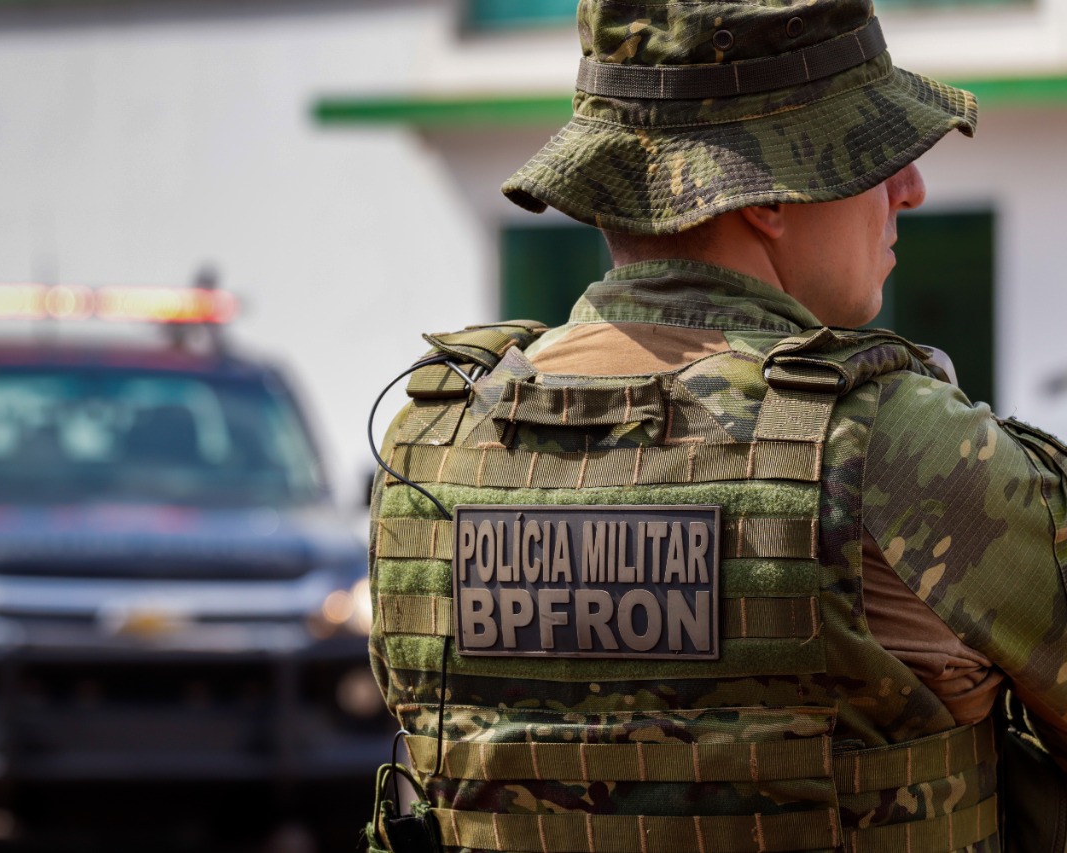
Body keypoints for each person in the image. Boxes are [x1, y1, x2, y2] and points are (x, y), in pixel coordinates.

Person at [365, 1, 1067, 850]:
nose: (909, 188)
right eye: (876, 154)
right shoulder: (899, 446)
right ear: (769, 191)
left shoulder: (431, 444)